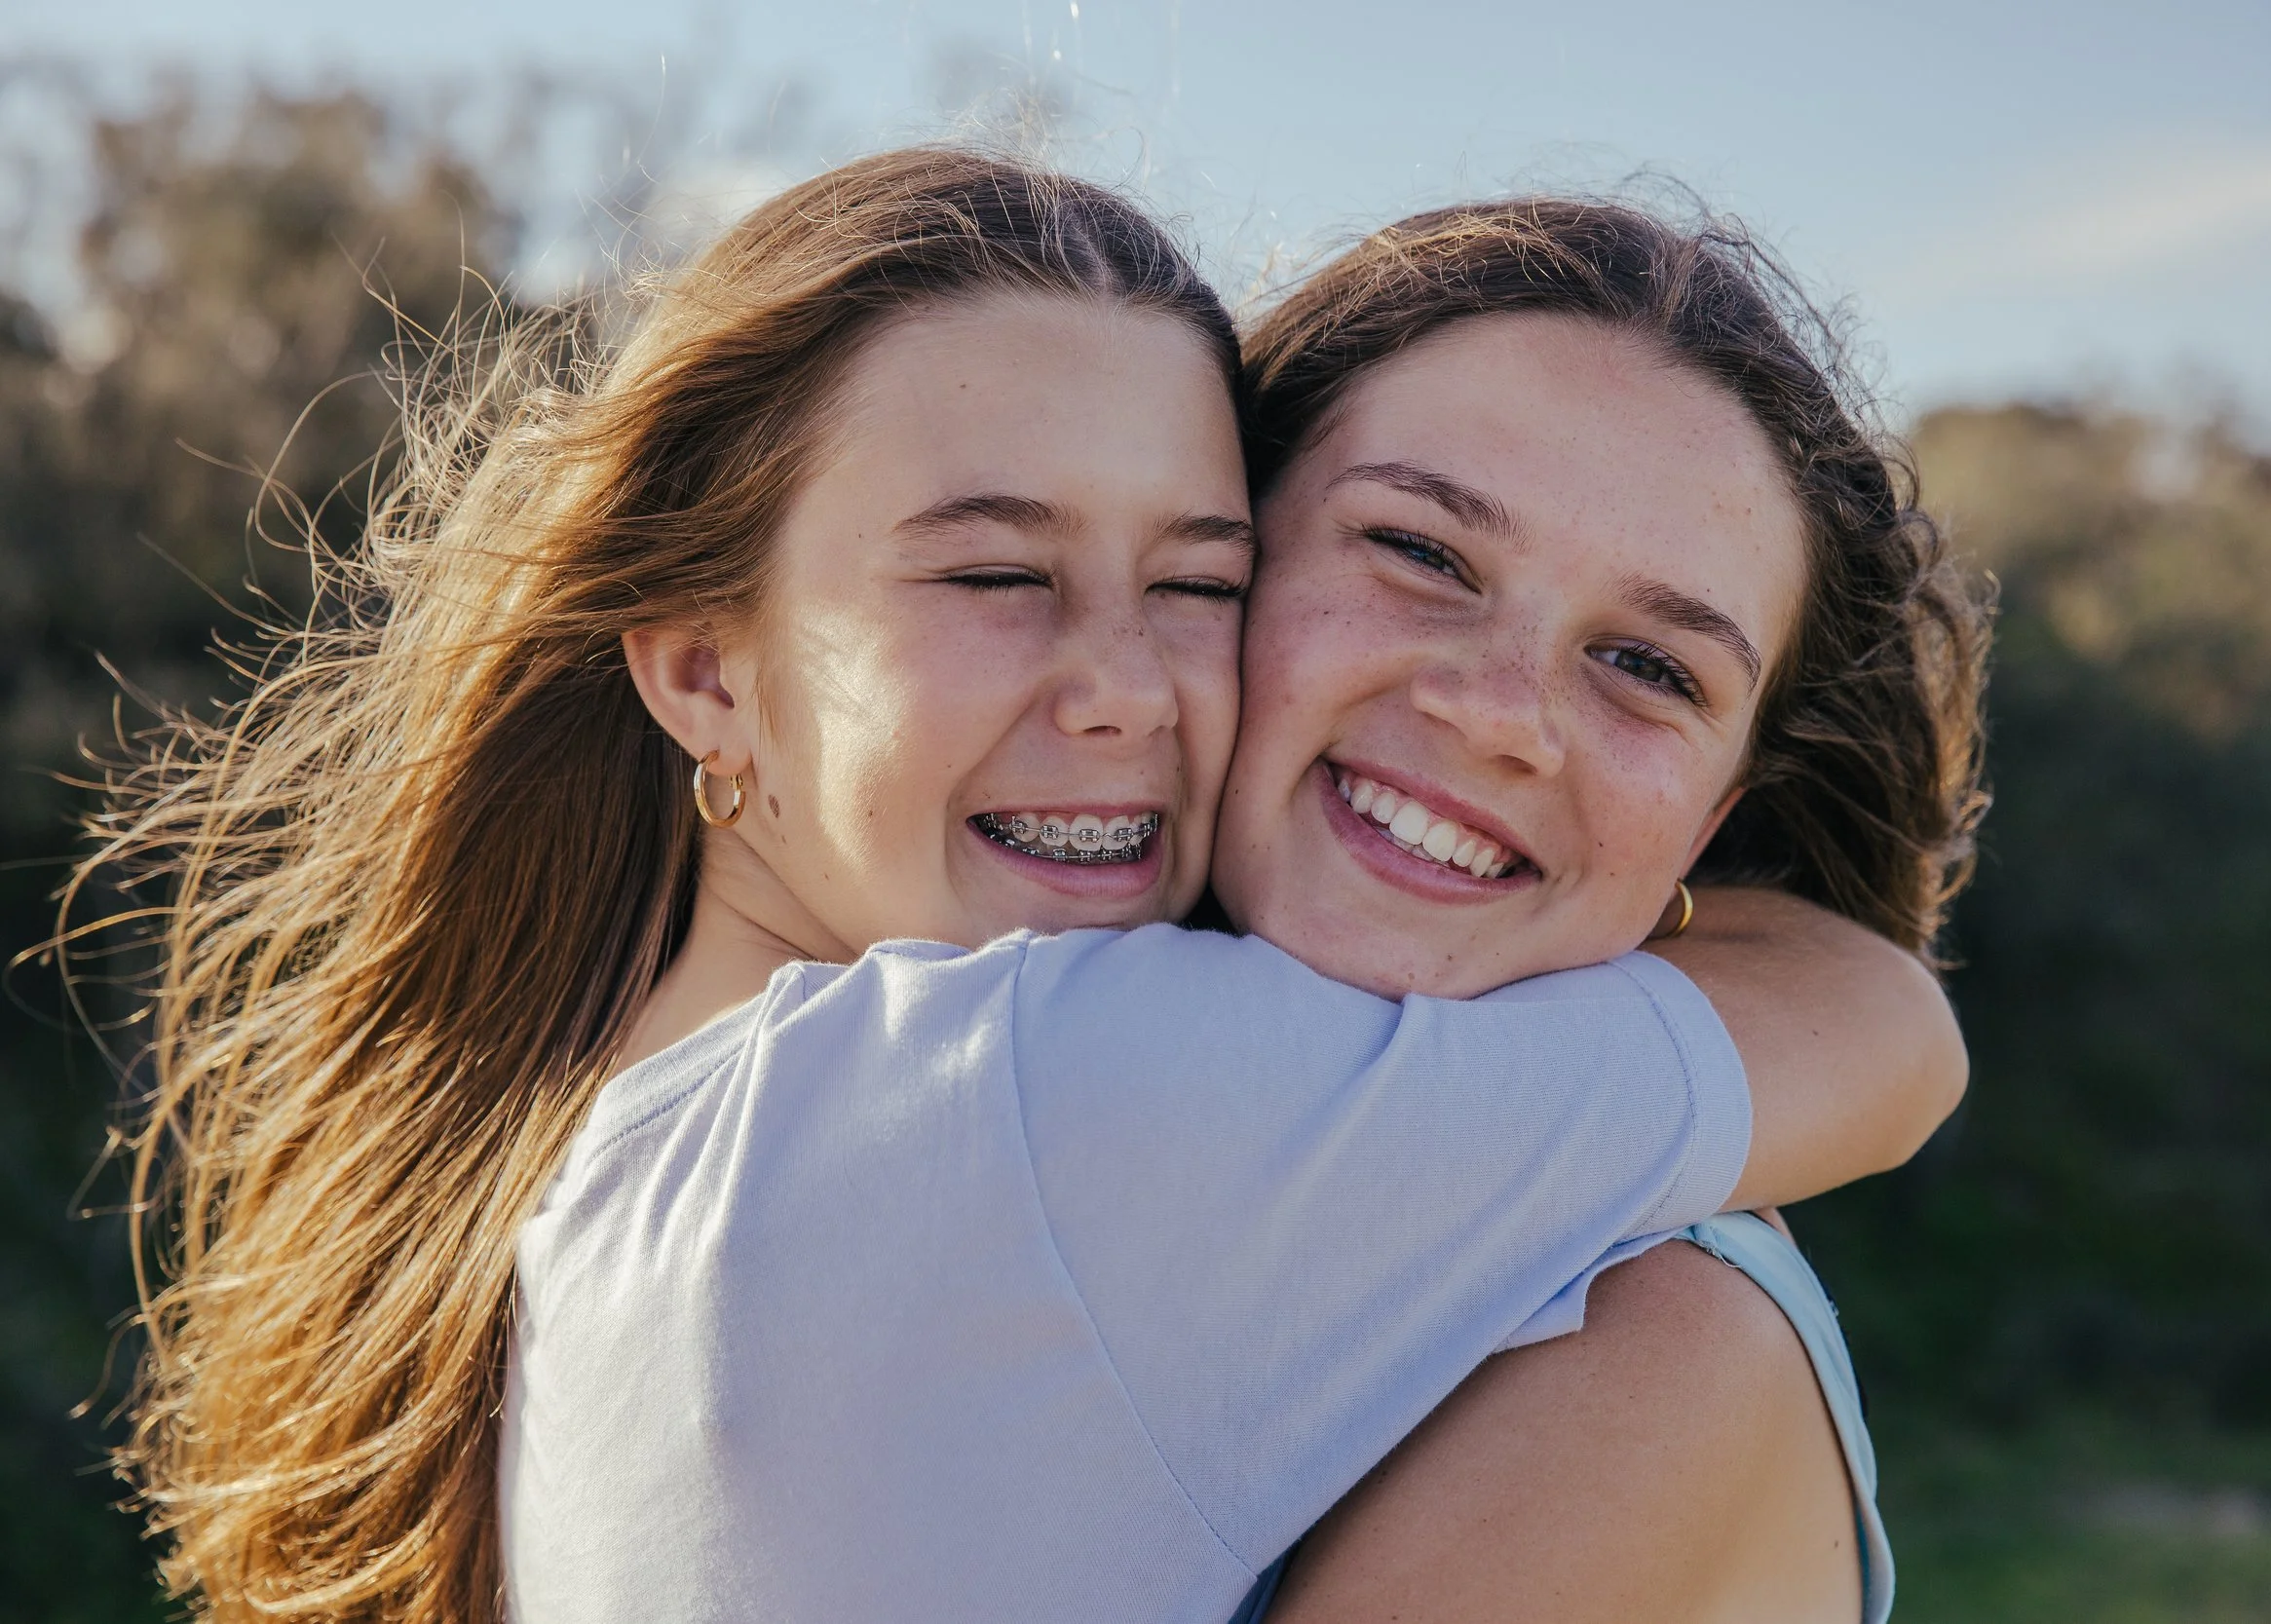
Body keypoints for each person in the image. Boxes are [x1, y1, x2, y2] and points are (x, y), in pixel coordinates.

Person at [83, 149, 1970, 1624]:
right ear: (700, 663)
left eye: (1190, 581)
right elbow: (1884, 1032)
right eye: (1410, 549)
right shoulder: (1020, 1091)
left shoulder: (603, 1169)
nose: (1125, 687)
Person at [1223, 198, 1987, 1624]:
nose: (1501, 713)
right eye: (1424, 551)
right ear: (1218, 551)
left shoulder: (1659, 1346)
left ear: (1712, 815)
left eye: (1649, 663)